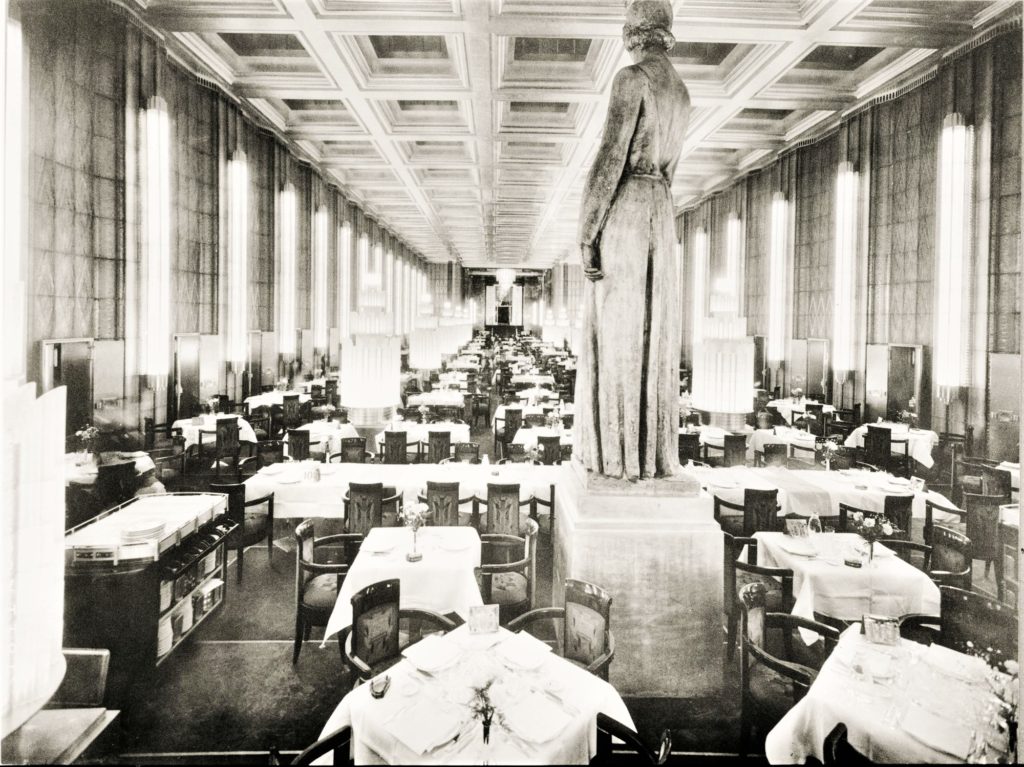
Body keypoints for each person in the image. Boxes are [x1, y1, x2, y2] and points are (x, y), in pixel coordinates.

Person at [574, 0, 691, 481]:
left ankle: (616, 457)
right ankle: (652, 454)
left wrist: (586, 231)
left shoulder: (631, 79)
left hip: (626, 209)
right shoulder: (681, 92)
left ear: (632, 32)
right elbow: (672, 168)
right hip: (661, 212)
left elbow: (609, 156)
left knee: (619, 331)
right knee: (654, 332)